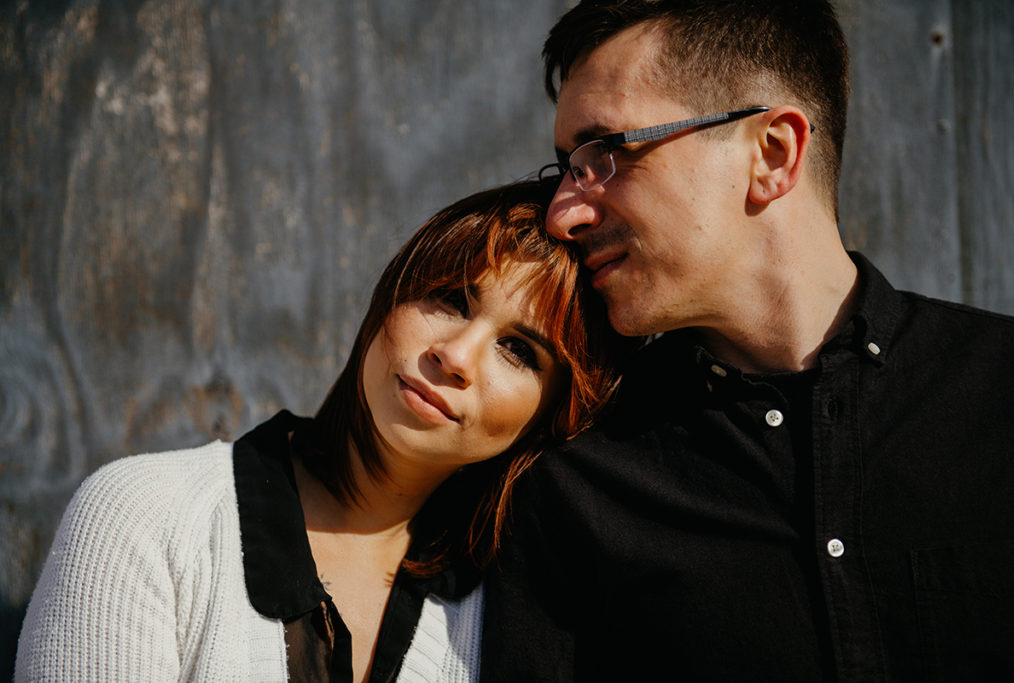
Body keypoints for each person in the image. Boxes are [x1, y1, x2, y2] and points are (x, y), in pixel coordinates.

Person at [481, 1, 1014, 681]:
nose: (564, 212)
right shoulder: (575, 476)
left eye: (606, 153)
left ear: (772, 154)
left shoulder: (1007, 397)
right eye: (567, 166)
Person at [15, 180, 624, 682]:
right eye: (448, 298)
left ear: (554, 414)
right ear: (391, 296)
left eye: (518, 350)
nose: (456, 356)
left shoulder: (517, 612)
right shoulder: (145, 518)